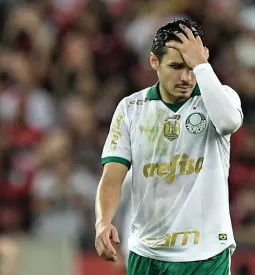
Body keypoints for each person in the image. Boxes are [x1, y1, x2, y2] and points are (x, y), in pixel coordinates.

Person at [95, 17, 243, 274]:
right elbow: (112, 177)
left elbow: (229, 122)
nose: (186, 77)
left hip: (206, 253)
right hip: (148, 253)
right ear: (155, 61)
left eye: (191, 68)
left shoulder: (218, 99)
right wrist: (103, 222)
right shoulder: (131, 108)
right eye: (176, 66)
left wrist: (202, 66)